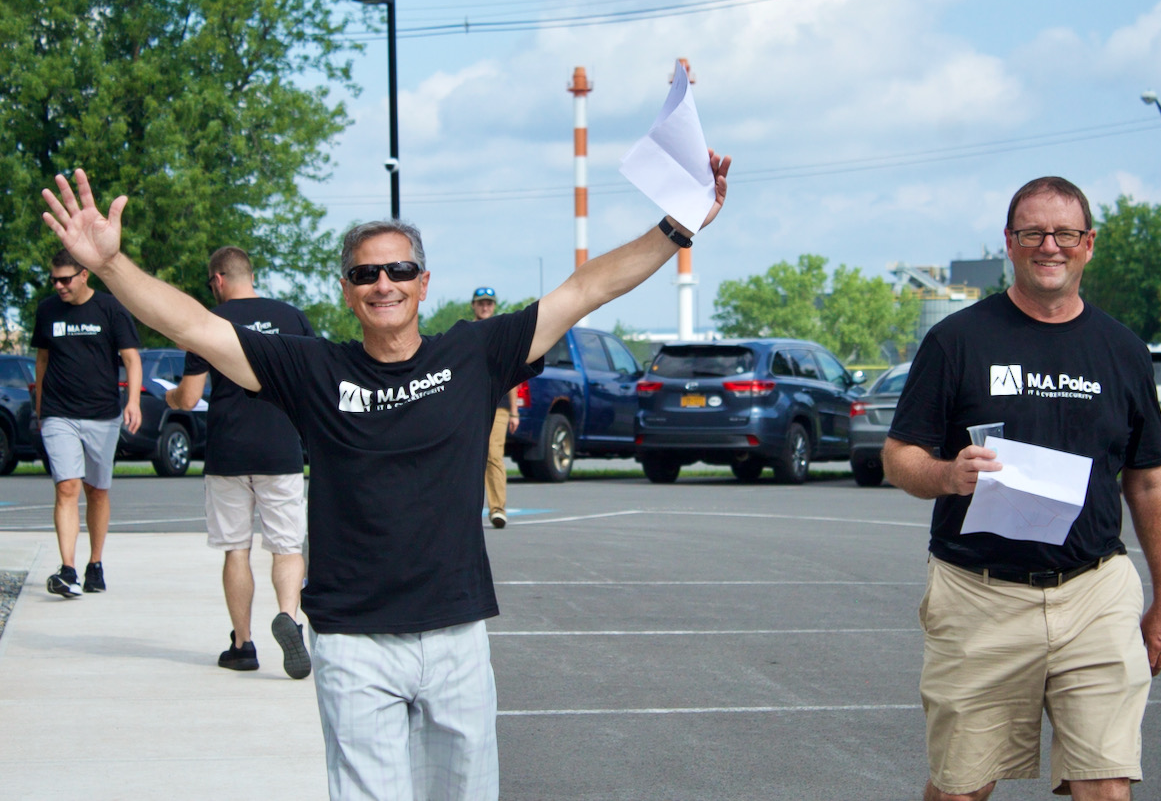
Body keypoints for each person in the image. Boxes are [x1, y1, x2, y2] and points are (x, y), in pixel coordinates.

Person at [41, 155, 729, 800]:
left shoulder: (475, 353)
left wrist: (677, 228)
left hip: (454, 634)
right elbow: (196, 325)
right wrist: (111, 266)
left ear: (423, 284)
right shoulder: (315, 369)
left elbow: (587, 288)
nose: (384, 285)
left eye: (399, 271)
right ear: (347, 291)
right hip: (352, 642)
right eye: (366, 275)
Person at [882, 176, 1161, 801]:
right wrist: (946, 474)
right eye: (1033, 233)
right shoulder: (957, 341)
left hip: (1095, 592)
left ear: (1088, 243)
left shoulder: (1123, 350)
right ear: (1010, 244)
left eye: (1065, 233)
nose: (1050, 245)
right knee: (962, 785)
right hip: (979, 594)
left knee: (1105, 781)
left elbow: (1148, 477)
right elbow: (898, 455)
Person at [165, 246, 316, 679]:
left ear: (217, 280)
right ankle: (290, 617)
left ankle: (242, 643)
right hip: (281, 446)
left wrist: (171, 397)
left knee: (237, 548)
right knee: (287, 546)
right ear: (250, 274)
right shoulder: (292, 317)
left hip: (229, 449)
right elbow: (310, 379)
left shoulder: (210, 323)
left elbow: (190, 396)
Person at [32, 248, 142, 598]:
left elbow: (131, 358)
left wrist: (134, 402)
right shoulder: (47, 310)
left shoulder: (110, 308)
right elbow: (42, 359)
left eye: (66, 279)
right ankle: (68, 569)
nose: (60, 286)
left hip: (103, 414)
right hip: (58, 413)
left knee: (97, 490)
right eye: (54, 280)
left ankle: (95, 564)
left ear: (84, 275)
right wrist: (40, 409)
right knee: (67, 487)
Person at [470, 286, 520, 528]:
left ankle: (497, 509)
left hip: (498, 405)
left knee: (493, 455)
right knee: (468, 456)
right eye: (481, 303)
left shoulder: (502, 335)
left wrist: (514, 411)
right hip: (471, 404)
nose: (485, 307)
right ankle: (466, 510)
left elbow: (510, 376)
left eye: (489, 303)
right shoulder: (466, 334)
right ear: (473, 306)